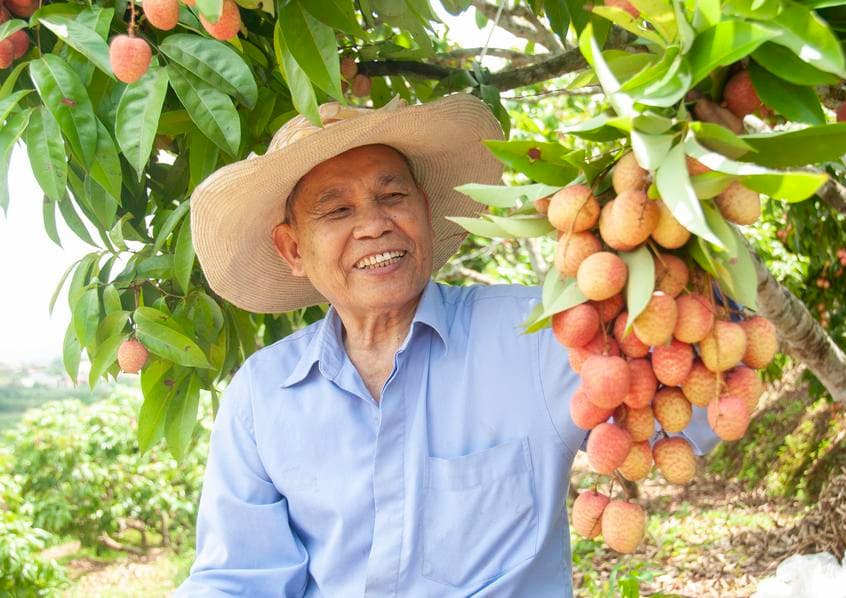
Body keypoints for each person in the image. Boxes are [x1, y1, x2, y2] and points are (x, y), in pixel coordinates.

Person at [176, 94, 716, 597]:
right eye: (337, 211)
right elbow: (238, 578)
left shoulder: (542, 333)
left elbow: (692, 411)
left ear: (427, 214)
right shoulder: (262, 395)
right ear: (293, 248)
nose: (374, 225)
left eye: (392, 197)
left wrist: (689, 216)